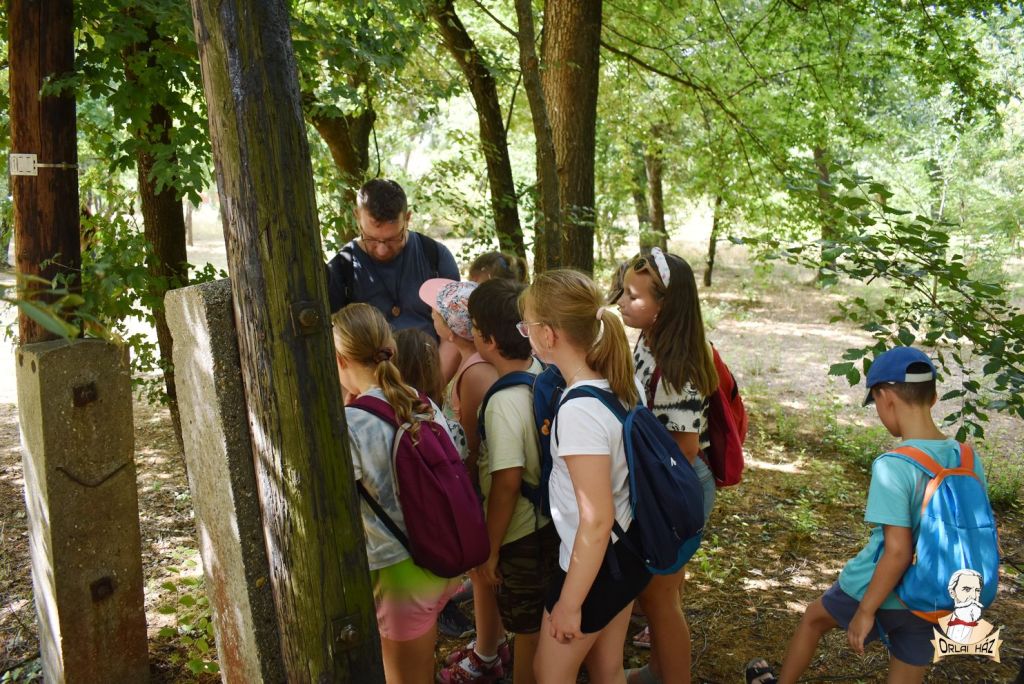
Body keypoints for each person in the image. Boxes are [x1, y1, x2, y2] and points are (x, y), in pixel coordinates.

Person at [746, 346, 989, 684]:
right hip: (934, 592)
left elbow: (897, 551)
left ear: (884, 396)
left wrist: (865, 610)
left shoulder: (894, 465)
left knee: (813, 619)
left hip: (877, 588)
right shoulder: (967, 457)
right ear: (933, 398)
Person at [520, 269, 652, 684]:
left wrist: (570, 603)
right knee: (607, 668)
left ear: (548, 335)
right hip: (626, 550)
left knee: (548, 673)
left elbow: (595, 520)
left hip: (596, 564)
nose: (526, 334)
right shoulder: (623, 381)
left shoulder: (578, 410)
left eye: (527, 326)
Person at [331, 303, 462, 684]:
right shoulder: (419, 401)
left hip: (399, 572)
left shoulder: (352, 425)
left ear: (340, 360)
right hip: (440, 554)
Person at [438, 279, 560, 684]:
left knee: (527, 629)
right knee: (540, 618)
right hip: (549, 519)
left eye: (474, 327)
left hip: (520, 533)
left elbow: (507, 481)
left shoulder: (503, 402)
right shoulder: (541, 371)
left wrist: (489, 551)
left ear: (488, 340)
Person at [616, 248, 719, 684]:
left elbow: (685, 448)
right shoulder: (649, 339)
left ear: (664, 307)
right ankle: (658, 669)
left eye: (634, 296)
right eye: (624, 291)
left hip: (675, 484)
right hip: (665, 479)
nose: (622, 302)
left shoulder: (677, 367)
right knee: (662, 590)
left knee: (659, 597)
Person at [419, 278, 501, 645]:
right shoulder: (476, 362)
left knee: (484, 570)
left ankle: (488, 649)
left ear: (452, 330)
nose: (431, 316)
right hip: (485, 480)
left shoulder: (473, 372)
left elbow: (471, 442)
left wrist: (461, 493)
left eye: (436, 313)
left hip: (482, 485)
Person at [326, 178, 461, 338]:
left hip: (435, 354)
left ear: (407, 218)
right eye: (371, 238)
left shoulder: (435, 256)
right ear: (357, 216)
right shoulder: (342, 269)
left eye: (393, 239)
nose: (382, 250)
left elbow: (455, 336)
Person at [936, 569, 994, 645]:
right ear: (952, 593)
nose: (973, 596)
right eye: (967, 589)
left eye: (977, 590)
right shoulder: (937, 622)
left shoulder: (986, 629)